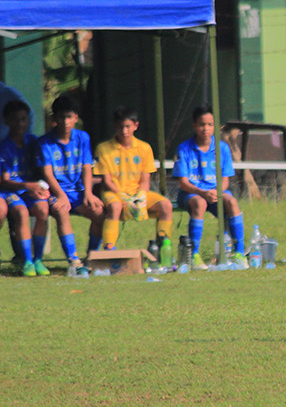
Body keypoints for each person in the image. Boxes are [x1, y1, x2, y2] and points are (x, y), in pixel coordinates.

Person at [173, 104, 246, 270]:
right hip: (192, 193)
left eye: (209, 124)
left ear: (216, 126)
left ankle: (239, 253)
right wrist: (202, 192)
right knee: (200, 203)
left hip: (214, 192)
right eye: (201, 124)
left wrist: (217, 191)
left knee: (231, 201)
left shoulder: (222, 148)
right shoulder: (184, 148)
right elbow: (183, 183)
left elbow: (225, 179)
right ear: (194, 125)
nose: (205, 128)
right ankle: (195, 254)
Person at [38, 94, 103, 275]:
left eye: (69, 116)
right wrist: (60, 194)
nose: (65, 121)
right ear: (55, 119)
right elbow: (47, 173)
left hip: (78, 192)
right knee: (61, 210)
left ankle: (92, 256)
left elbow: (86, 168)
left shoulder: (82, 137)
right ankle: (73, 259)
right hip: (54, 192)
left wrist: (89, 193)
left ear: (76, 118)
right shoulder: (45, 142)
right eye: (61, 117)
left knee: (99, 212)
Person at [93, 106, 173, 250]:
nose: (124, 131)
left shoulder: (144, 148)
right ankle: (109, 248)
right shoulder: (103, 148)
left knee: (166, 206)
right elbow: (106, 181)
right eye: (120, 127)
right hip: (114, 193)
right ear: (114, 126)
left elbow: (145, 180)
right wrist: (124, 197)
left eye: (127, 126)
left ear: (136, 126)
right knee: (115, 206)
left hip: (137, 193)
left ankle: (163, 247)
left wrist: (140, 197)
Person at [0, 99, 51, 276]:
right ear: (7, 121)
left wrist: (43, 186)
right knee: (21, 213)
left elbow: (42, 169)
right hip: (10, 191)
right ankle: (27, 261)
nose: (20, 123)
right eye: (15, 119)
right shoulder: (4, 146)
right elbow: (4, 181)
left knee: (43, 210)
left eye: (23, 119)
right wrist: (26, 185)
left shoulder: (33, 142)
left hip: (30, 190)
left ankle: (38, 259)